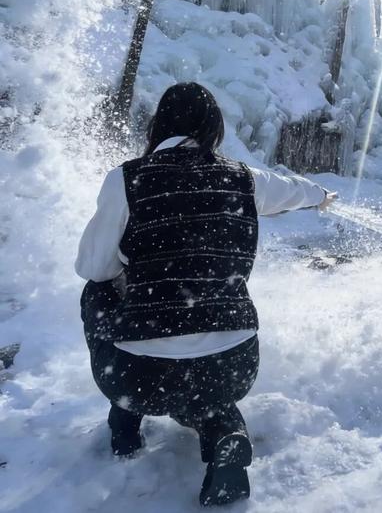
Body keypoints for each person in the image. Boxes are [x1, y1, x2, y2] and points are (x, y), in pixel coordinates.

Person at [76, 82, 337, 507]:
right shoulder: (242, 177)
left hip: (141, 376)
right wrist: (321, 195)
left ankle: (124, 422)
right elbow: (291, 190)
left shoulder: (127, 178)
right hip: (234, 365)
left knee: (96, 292)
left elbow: (94, 269)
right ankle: (225, 434)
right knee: (207, 391)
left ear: (159, 126)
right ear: (213, 129)